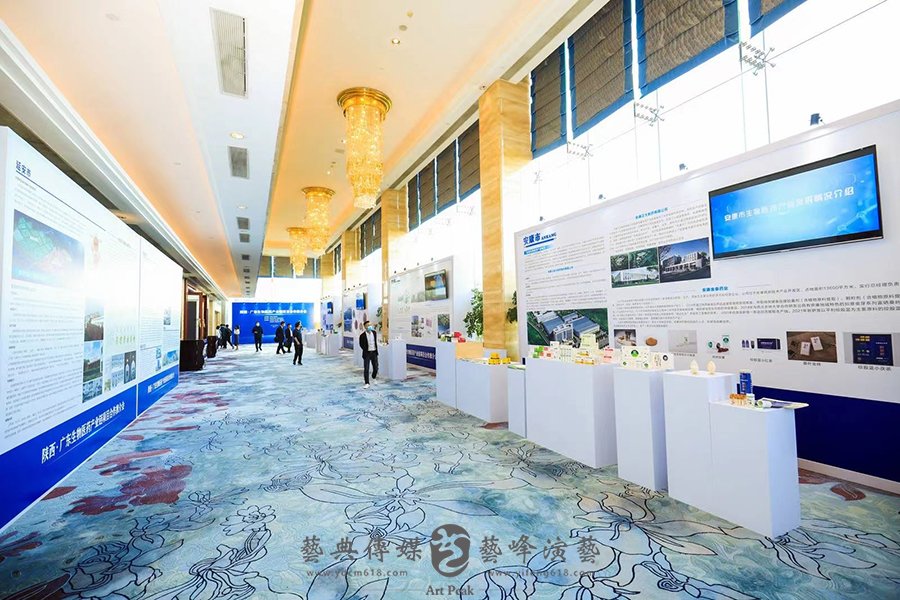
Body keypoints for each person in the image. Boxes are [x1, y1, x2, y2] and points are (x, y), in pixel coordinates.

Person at [358, 320, 378, 389]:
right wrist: (366, 350)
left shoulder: (374, 333)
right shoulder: (362, 336)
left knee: (376, 367)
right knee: (366, 369)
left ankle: (373, 377)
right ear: (365, 327)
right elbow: (361, 345)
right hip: (367, 354)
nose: (370, 326)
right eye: (368, 325)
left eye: (370, 325)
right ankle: (367, 383)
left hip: (374, 352)